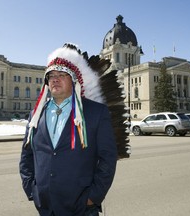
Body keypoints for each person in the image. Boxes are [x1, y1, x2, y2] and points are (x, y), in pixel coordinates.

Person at [19, 43, 117, 216]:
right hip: (45, 205)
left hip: (82, 206)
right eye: (51, 76)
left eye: (62, 75)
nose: (55, 79)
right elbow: (27, 155)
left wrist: (93, 196)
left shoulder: (95, 112)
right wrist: (31, 189)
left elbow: (108, 158)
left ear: (74, 81)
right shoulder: (36, 114)